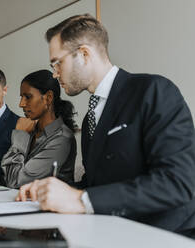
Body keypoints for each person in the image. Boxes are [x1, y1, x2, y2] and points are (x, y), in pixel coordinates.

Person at [16, 14, 195, 237]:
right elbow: (96, 183)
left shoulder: (154, 91)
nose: (55, 73)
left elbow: (176, 183)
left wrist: (80, 199)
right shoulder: (89, 118)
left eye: (57, 63)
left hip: (167, 234)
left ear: (84, 54)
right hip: (112, 231)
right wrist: (49, 190)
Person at [0, 70, 77, 188]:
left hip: (47, 205)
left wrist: (21, 134)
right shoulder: (33, 131)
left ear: (48, 98)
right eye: (22, 97)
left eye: (28, 97)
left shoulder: (61, 139)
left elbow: (15, 182)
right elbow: (16, 175)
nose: (21, 104)